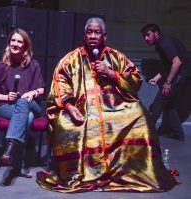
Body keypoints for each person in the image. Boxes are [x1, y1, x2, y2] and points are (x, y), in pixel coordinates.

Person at [36, 17, 178, 193]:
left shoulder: (116, 57)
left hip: (114, 108)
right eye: (90, 32)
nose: (93, 36)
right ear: (84, 35)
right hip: (81, 109)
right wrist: (69, 107)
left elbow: (135, 80)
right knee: (67, 124)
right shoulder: (71, 59)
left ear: (105, 36)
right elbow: (60, 83)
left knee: (140, 117)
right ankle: (80, 174)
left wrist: (111, 72)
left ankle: (130, 172)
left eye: (97, 32)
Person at [0, 28, 45, 177]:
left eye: (19, 41)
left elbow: (41, 90)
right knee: (27, 118)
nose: (15, 44)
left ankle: (10, 147)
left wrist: (32, 93)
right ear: (8, 43)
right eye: (13, 40)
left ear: (25, 46)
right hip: (5, 106)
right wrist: (7, 98)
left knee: (23, 102)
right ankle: (18, 163)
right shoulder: (1, 66)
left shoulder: (33, 65)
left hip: (32, 104)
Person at [140, 24, 191, 141]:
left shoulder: (165, 43)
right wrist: (157, 78)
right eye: (144, 36)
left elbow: (176, 63)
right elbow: (167, 65)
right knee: (168, 103)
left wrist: (167, 83)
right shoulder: (159, 45)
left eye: (148, 35)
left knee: (159, 102)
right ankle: (178, 134)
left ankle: (149, 133)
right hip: (182, 75)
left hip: (182, 75)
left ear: (156, 33)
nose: (146, 38)